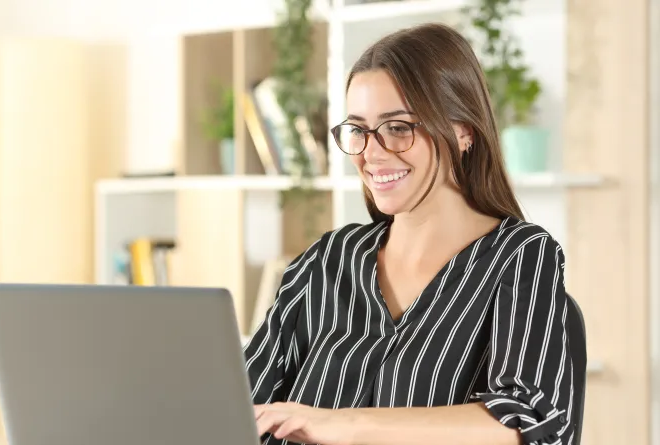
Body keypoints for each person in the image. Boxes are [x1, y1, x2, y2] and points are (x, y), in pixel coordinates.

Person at [243, 23, 575, 445]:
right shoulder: (327, 260)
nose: (371, 153)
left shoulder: (520, 255)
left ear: (463, 131)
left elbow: (528, 420)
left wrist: (343, 424)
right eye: (358, 130)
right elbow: (239, 403)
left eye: (398, 127)